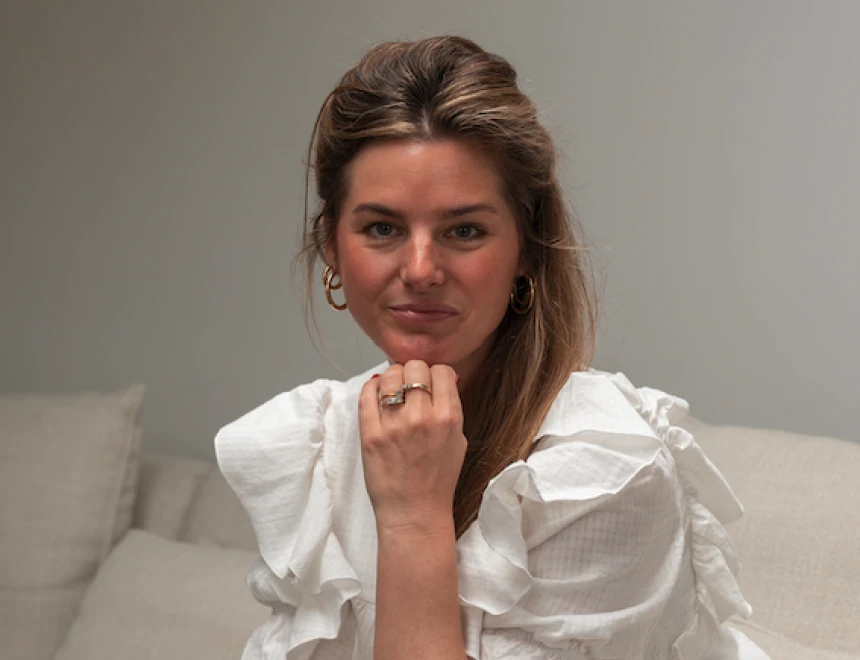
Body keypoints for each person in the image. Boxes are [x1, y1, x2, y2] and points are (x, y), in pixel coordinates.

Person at [215, 35, 768, 660]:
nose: (420, 269)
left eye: (464, 230)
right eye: (382, 227)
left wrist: (413, 515)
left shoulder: (603, 472)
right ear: (332, 246)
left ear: (527, 247)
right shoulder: (322, 443)